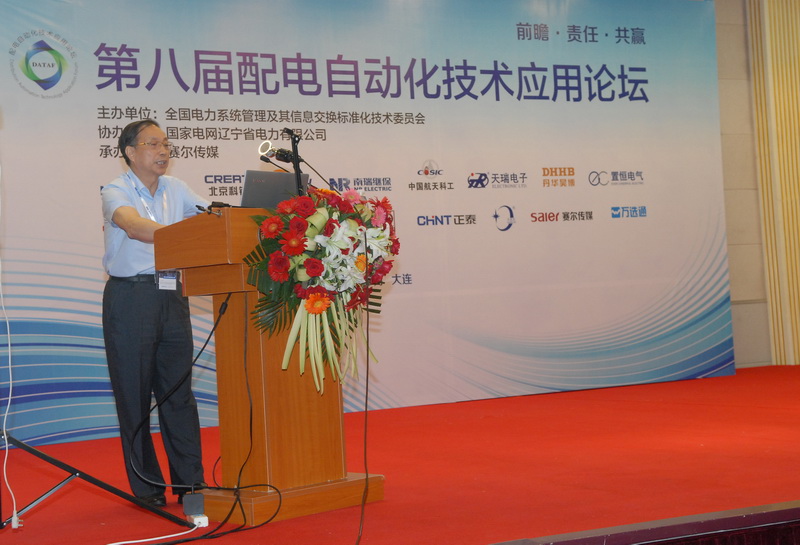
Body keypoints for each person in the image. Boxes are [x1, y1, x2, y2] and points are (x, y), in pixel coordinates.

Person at [101, 119, 209, 507]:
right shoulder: (115, 189)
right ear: (130, 152)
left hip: (171, 295)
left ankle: (191, 486)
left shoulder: (176, 188)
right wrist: (179, 234)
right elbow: (133, 226)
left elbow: (211, 216)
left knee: (178, 394)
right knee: (134, 396)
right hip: (130, 298)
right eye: (153, 144)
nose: (163, 150)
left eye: (165, 144)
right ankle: (147, 488)